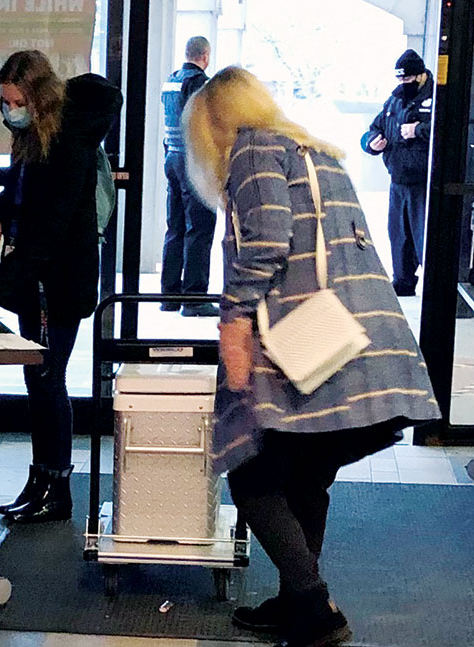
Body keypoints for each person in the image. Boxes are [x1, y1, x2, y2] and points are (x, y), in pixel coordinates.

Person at [184, 67, 440, 647]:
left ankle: (315, 608)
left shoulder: (252, 149)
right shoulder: (314, 150)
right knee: (306, 479)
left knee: (250, 477)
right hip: (358, 337)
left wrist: (234, 316)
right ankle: (297, 600)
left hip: (307, 342)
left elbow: (269, 239)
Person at [0, 51, 122, 523]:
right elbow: (21, 189)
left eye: (15, 99)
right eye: (4, 99)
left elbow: (51, 223)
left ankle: (55, 486)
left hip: (57, 280)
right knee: (38, 377)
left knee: (47, 377)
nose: (7, 108)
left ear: (37, 98)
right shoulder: (36, 134)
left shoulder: (68, 140)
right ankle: (42, 479)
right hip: (40, 279)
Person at [361, 49, 433, 297]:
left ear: (420, 76)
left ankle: (435, 290)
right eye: (400, 80)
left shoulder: (436, 99)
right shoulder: (393, 101)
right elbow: (372, 129)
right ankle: (402, 283)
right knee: (398, 235)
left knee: (423, 238)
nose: (404, 84)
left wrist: (418, 130)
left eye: (408, 79)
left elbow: (447, 131)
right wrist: (371, 143)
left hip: (424, 184)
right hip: (398, 181)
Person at [160, 35, 218, 316]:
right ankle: (194, 298)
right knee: (200, 228)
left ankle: (169, 296)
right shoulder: (200, 83)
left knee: (176, 227)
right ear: (205, 56)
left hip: (171, 158)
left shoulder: (171, 79)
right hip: (192, 163)